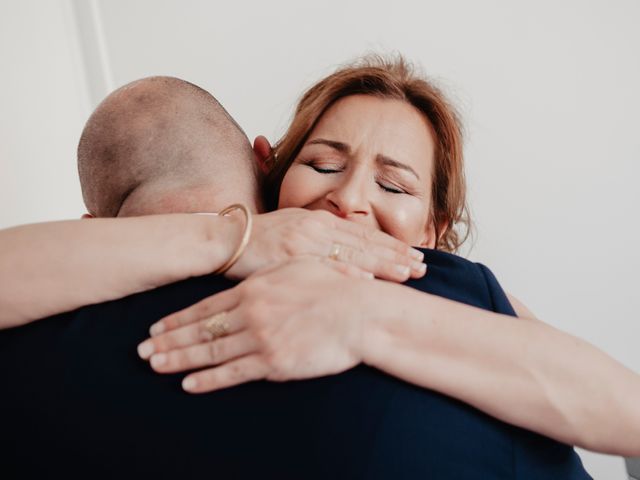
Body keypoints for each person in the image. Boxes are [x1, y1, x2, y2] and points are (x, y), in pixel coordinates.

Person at [0, 57, 638, 459]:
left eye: (394, 186)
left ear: (434, 232)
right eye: (323, 164)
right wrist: (230, 237)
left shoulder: (451, 289)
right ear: (271, 174)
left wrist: (363, 315)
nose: (349, 198)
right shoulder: (87, 286)